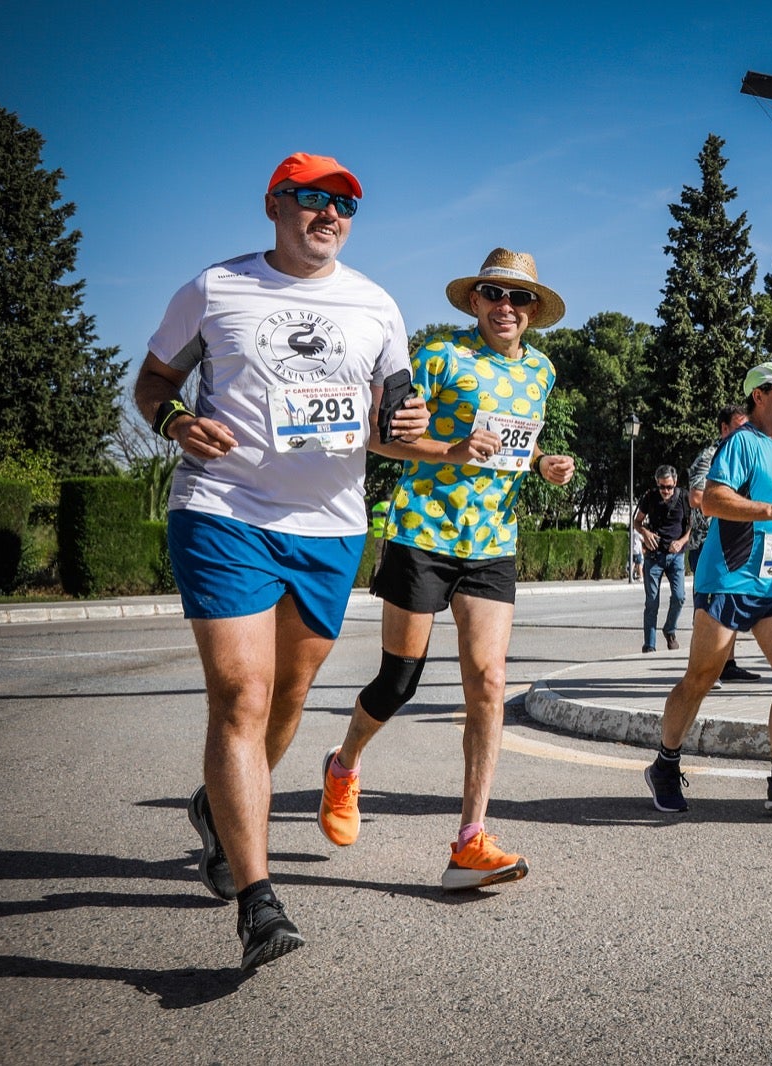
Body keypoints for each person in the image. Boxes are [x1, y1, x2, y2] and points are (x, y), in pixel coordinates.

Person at [133, 153, 429, 971]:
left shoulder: (376, 304)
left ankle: (218, 807)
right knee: (242, 693)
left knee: (288, 699)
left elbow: (390, 416)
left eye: (344, 205)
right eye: (311, 200)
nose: (328, 215)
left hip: (330, 526)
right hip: (223, 511)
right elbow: (154, 382)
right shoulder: (214, 288)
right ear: (274, 204)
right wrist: (174, 425)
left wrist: (406, 424)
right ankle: (258, 900)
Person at [316, 247, 575, 891]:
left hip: (494, 540)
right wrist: (452, 451)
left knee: (489, 682)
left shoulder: (541, 370)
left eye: (519, 298)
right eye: (494, 294)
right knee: (398, 681)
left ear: (535, 310)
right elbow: (379, 436)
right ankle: (344, 766)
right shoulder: (439, 356)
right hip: (423, 531)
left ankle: (469, 840)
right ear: (475, 300)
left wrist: (543, 462)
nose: (506, 307)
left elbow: (517, 438)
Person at [643, 361, 772, 813]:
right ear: (760, 396)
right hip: (729, 579)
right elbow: (712, 499)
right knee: (701, 679)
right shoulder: (741, 442)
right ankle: (665, 765)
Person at [687, 404, 758, 682]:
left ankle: (726, 664)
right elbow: (696, 497)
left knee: (730, 605)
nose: (746, 432)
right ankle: (703, 669)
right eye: (740, 426)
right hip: (706, 542)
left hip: (734, 542)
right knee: (707, 610)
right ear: (724, 428)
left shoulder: (743, 454)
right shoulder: (710, 455)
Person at [635, 465, 691, 652]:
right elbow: (637, 521)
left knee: (680, 597)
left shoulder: (684, 497)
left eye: (669, 487)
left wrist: (681, 541)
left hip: (676, 556)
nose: (666, 491)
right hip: (654, 556)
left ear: (675, 483)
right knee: (652, 601)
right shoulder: (650, 497)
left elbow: (693, 526)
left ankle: (670, 629)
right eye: (662, 487)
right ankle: (649, 645)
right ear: (657, 484)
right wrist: (645, 532)